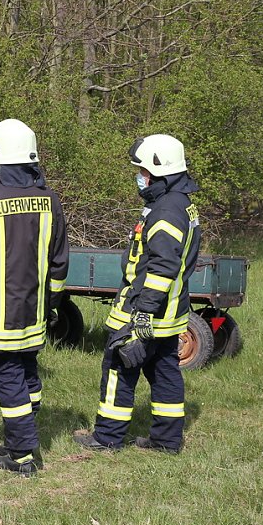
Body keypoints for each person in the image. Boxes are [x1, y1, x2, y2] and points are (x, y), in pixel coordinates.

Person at [0, 120, 69, 476]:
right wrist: (52, 304)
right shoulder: (49, 200)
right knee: (28, 374)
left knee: (7, 381)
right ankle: (25, 435)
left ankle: (21, 454)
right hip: (34, 314)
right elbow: (60, 259)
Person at [74, 134, 200, 455]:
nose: (139, 177)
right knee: (165, 375)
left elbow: (162, 269)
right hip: (170, 316)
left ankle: (107, 438)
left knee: (119, 370)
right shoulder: (178, 203)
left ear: (160, 172)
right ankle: (166, 440)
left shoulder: (167, 211)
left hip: (143, 314)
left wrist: (142, 313)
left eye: (143, 172)